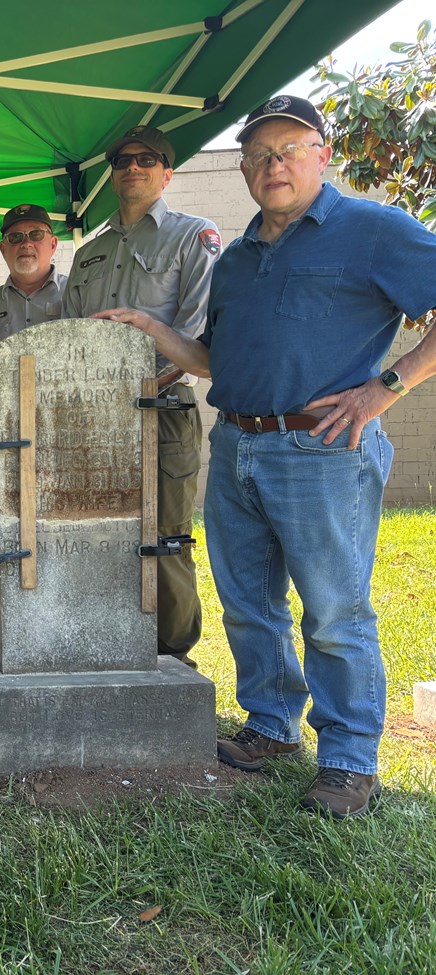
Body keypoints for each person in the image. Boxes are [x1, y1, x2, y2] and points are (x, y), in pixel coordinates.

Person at [111, 95, 436, 819]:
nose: (272, 164)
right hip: (237, 443)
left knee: (332, 611)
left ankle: (350, 758)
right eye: (258, 153)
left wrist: (387, 388)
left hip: (321, 450)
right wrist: (148, 327)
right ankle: (270, 724)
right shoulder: (236, 258)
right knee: (250, 603)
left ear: (325, 154)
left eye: (289, 148)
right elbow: (212, 357)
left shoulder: (373, 230)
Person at [62, 125, 220, 668]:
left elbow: (199, 337)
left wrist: (141, 390)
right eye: (123, 160)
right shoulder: (90, 254)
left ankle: (173, 658)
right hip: (94, 425)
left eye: (147, 159)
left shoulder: (192, 236)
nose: (133, 167)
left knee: (165, 537)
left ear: (167, 172)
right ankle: (109, 643)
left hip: (163, 413)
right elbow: (70, 340)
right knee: (99, 533)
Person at [0, 204, 68, 651]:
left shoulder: (75, 295)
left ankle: (56, 617)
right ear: (4, 247)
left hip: (60, 440)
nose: (26, 243)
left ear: (53, 243)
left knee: (57, 533)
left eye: (36, 234)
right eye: (16, 237)